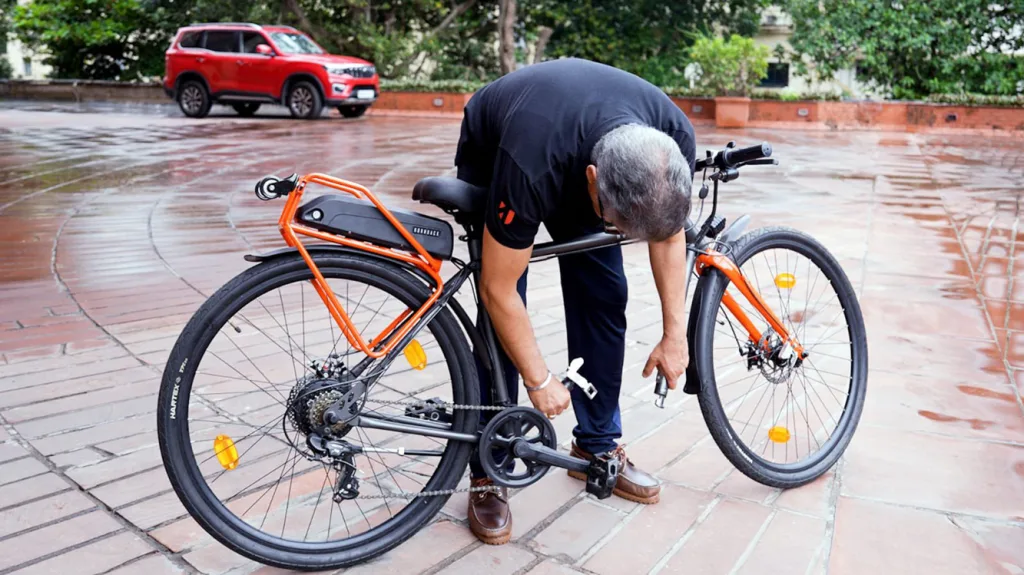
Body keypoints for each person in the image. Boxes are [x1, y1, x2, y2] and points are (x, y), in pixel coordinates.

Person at [454, 57, 695, 545]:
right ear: (592, 180)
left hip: (579, 147)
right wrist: (539, 378)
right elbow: (498, 290)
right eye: (616, 225)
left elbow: (669, 238)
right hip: (503, 142)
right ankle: (486, 468)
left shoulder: (672, 138)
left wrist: (675, 335)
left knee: (604, 294)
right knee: (501, 313)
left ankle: (596, 447)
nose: (622, 237)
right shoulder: (531, 161)